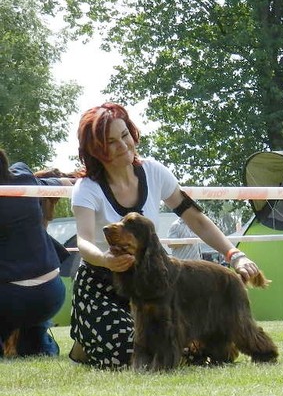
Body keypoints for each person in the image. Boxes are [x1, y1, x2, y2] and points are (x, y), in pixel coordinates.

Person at [69, 103, 265, 368]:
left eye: (125, 135)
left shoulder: (154, 171)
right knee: (126, 354)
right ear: (95, 149)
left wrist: (234, 254)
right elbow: (83, 241)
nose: (123, 145)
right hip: (102, 282)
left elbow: (196, 218)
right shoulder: (86, 188)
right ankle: (84, 343)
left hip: (149, 280)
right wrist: (106, 260)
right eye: (111, 142)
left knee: (176, 348)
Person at [0, 148, 72, 357]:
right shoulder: (24, 177)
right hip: (52, 293)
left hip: (11, 298)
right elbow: (58, 182)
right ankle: (40, 343)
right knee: (32, 339)